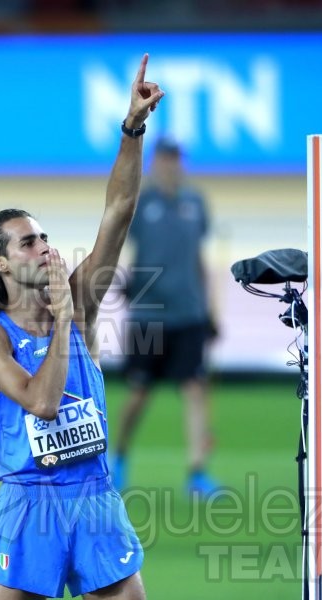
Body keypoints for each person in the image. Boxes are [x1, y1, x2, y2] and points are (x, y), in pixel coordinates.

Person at [0, 54, 163, 600]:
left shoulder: (77, 297)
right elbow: (42, 404)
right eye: (28, 242)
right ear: (0, 264)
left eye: (45, 237)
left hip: (95, 494)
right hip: (29, 505)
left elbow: (118, 210)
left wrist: (133, 128)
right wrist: (65, 324)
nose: (45, 246)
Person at [108, 135, 220, 496]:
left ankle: (197, 473)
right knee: (139, 392)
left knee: (195, 389)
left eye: (176, 158)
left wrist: (210, 309)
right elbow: (121, 245)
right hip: (148, 314)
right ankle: (119, 456)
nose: (171, 165)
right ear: (154, 162)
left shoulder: (195, 202)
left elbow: (199, 258)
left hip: (188, 313)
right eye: (165, 158)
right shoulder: (141, 202)